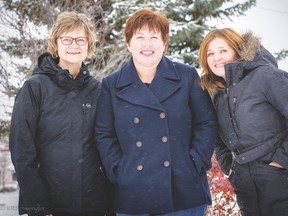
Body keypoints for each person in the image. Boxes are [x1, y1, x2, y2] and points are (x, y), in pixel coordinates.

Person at [95, 8, 217, 216]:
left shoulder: (186, 76)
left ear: (164, 43)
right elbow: (104, 134)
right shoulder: (111, 84)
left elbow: (206, 123)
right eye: (140, 37)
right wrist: (118, 170)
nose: (147, 44)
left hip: (182, 190)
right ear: (128, 44)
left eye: (154, 37)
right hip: (133, 193)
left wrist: (196, 161)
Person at [9, 11, 113, 216]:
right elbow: (22, 151)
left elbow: (107, 146)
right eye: (67, 39)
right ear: (56, 43)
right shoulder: (34, 88)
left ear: (89, 45)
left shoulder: (98, 90)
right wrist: (39, 207)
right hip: (50, 205)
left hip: (94, 205)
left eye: (80, 39)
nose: (73, 45)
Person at [199, 27, 288, 216]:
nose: (217, 58)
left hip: (280, 179)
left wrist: (280, 162)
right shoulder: (217, 94)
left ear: (238, 50)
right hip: (245, 186)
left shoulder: (266, 77)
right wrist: (231, 169)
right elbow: (219, 140)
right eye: (210, 53)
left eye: (223, 50)